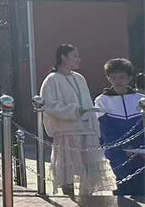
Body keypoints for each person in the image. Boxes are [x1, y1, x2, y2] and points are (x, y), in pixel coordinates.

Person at [38, 44, 113, 197]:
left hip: (86, 130)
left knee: (88, 168)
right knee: (68, 169)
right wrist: (74, 110)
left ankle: (87, 198)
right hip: (67, 132)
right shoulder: (52, 79)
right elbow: (49, 106)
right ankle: (69, 198)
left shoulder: (79, 78)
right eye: (75, 56)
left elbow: (88, 102)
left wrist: (94, 126)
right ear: (63, 57)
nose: (78, 59)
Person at [94, 58, 144, 198]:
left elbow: (142, 126)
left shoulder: (140, 99)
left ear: (129, 78)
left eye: (121, 77)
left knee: (141, 188)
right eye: (113, 77)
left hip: (139, 150)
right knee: (121, 189)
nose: (118, 81)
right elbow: (106, 128)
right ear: (108, 78)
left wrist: (137, 146)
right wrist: (124, 146)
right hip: (116, 152)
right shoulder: (101, 100)